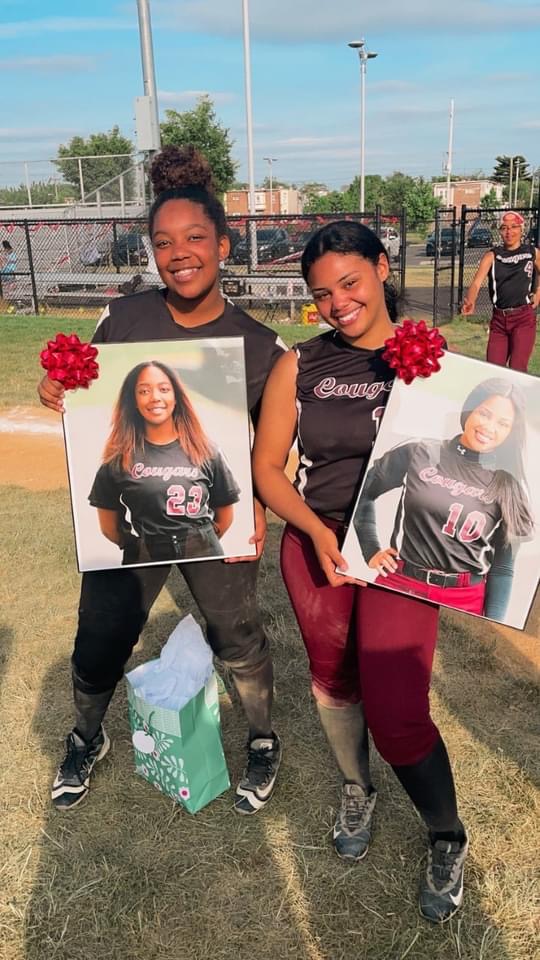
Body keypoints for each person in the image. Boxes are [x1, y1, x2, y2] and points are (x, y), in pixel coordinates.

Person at [38, 144, 284, 816]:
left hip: (209, 520)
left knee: (236, 632)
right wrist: (56, 389)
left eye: (197, 238)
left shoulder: (260, 346)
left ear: (225, 245)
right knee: (101, 635)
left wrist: (257, 503)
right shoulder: (123, 319)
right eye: (163, 242)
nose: (180, 253)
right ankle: (87, 735)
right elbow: (81, 395)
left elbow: (271, 443)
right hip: (136, 518)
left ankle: (262, 738)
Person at [252, 220, 469, 924]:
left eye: (350, 282)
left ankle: (445, 834)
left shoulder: (433, 361)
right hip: (320, 546)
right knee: (336, 683)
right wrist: (315, 532)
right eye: (321, 293)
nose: (338, 302)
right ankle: (356, 787)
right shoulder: (301, 363)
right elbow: (266, 467)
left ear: (382, 268)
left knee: (400, 710)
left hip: (405, 553)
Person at [353, 378, 533, 623]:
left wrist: (491, 623)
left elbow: (503, 568)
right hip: (401, 580)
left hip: (464, 599)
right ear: (470, 409)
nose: (490, 427)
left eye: (503, 423)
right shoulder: (420, 451)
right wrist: (371, 548)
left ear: (512, 431)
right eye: (485, 413)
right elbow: (364, 492)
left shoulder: (510, 484)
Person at [90, 360, 241, 564]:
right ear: (133, 400)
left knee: (224, 596)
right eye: (144, 391)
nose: (155, 398)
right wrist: (135, 546)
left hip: (200, 544)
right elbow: (109, 526)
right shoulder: (118, 458)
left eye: (164, 389)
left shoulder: (206, 450)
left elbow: (225, 514)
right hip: (148, 547)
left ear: (176, 396)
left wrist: (203, 540)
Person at [462, 211, 540, 372]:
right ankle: (497, 397)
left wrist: (538, 291)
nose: (509, 232)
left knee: (517, 369)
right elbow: (476, 283)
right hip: (499, 320)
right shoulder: (492, 255)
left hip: (523, 318)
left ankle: (516, 398)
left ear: (521, 229)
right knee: (493, 369)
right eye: (504, 228)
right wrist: (470, 301)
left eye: (513, 227)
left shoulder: (532, 252)